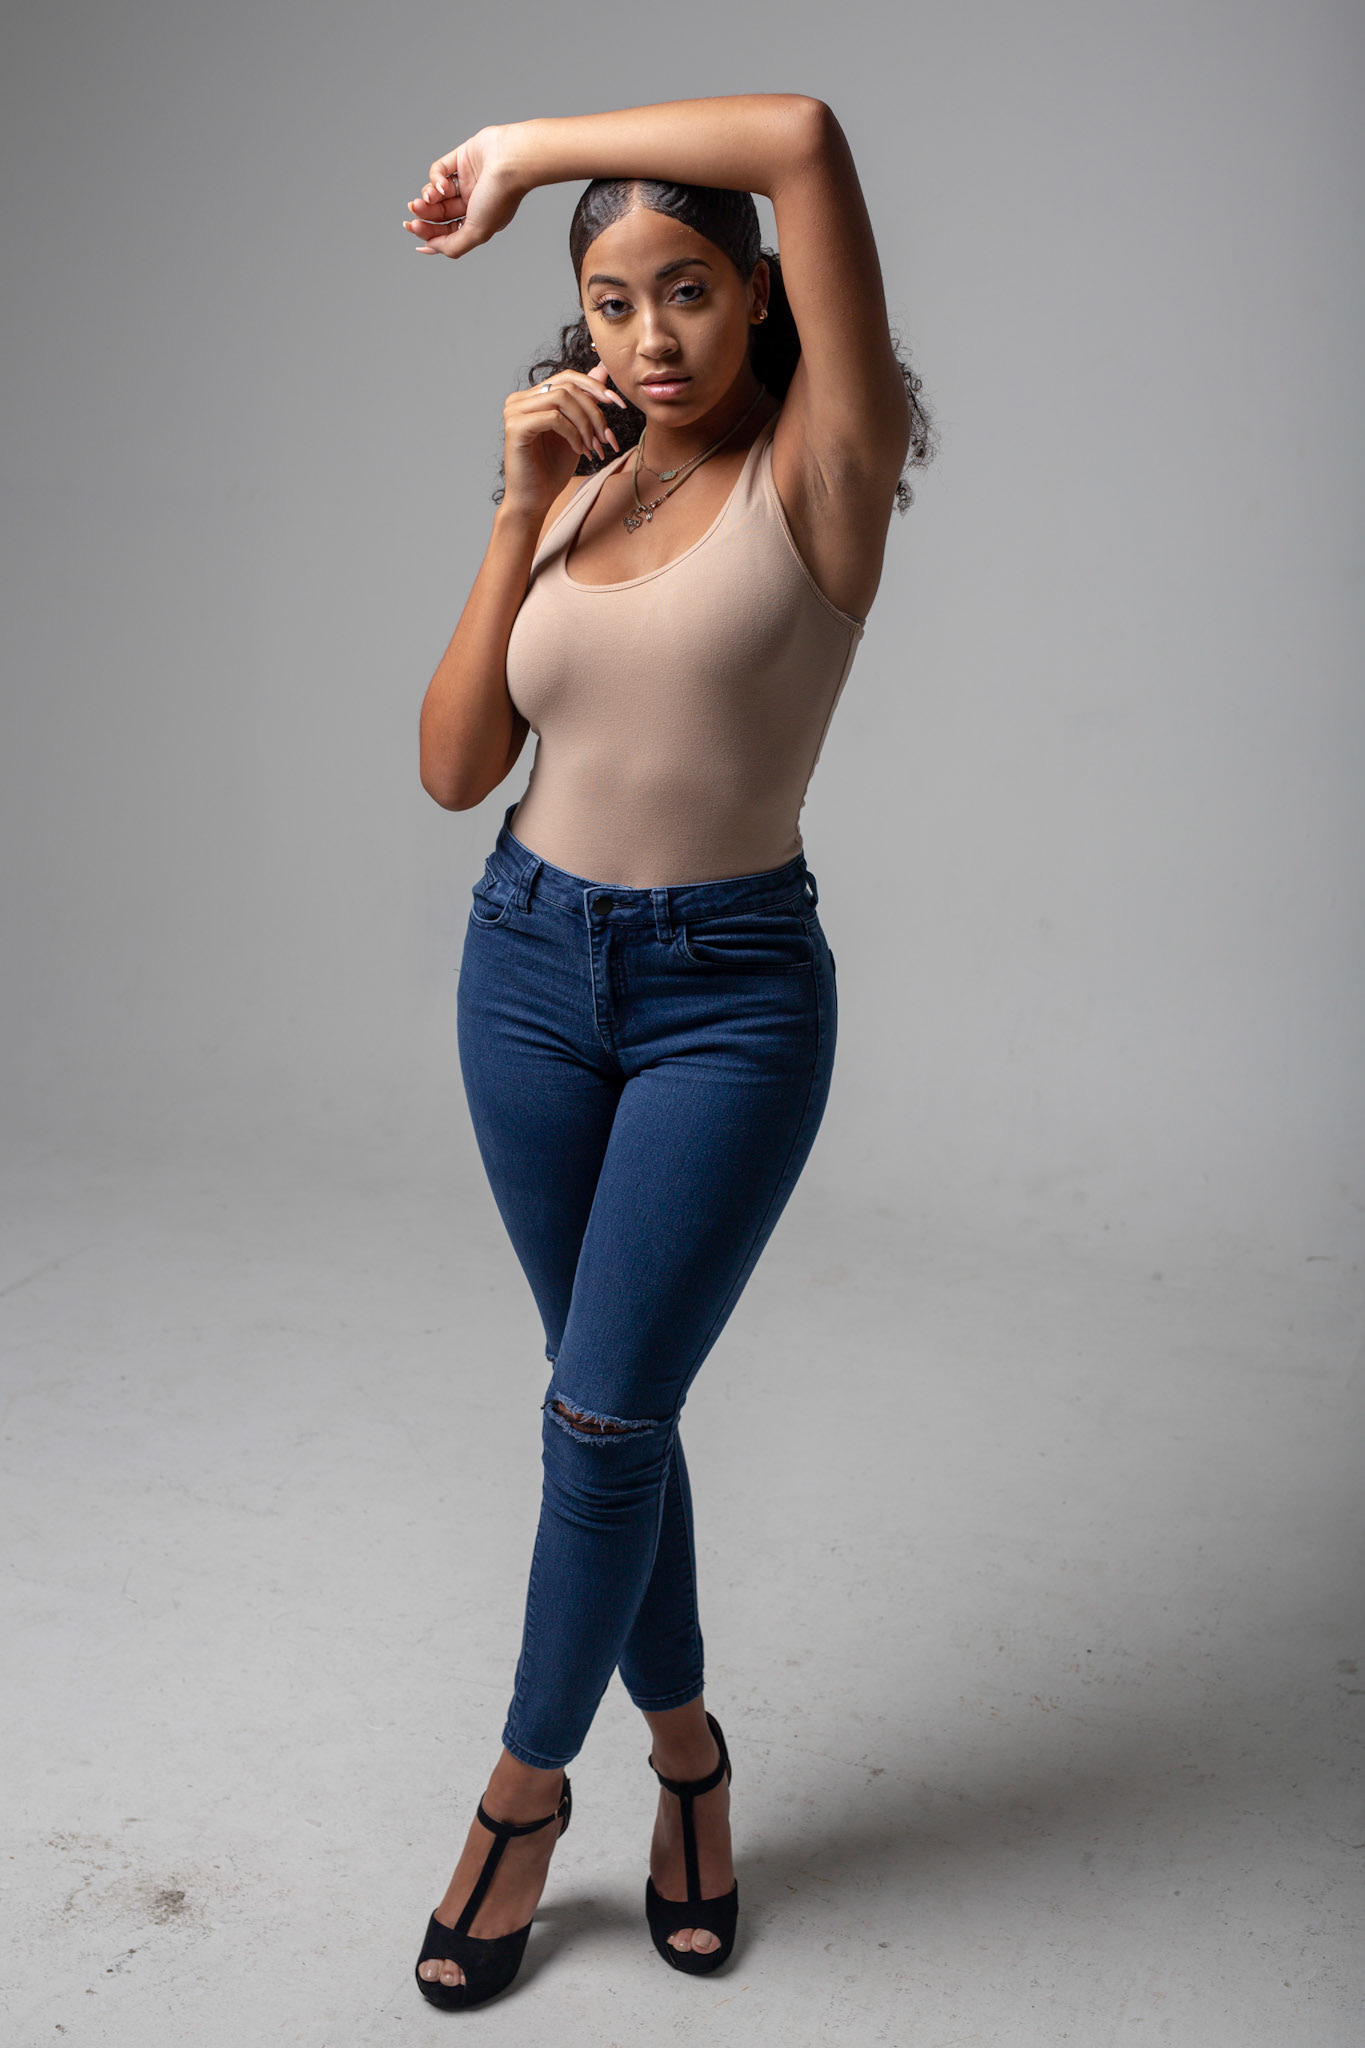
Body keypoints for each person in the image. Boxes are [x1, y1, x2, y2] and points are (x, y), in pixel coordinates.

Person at [405, 93, 934, 2009]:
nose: (649, 335)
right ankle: (691, 1753)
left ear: (764, 295)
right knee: (607, 1404)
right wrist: (513, 514)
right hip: (523, 969)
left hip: (727, 996)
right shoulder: (588, 483)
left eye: (690, 289)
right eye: (615, 300)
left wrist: (522, 149)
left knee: (600, 1423)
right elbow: (457, 768)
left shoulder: (823, 467)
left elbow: (799, 132)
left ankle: (521, 1794)